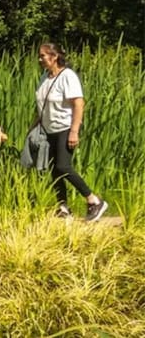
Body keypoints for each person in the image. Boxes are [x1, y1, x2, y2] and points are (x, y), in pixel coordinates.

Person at [32, 43, 107, 221]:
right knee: (54, 170)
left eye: (43, 55)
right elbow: (42, 107)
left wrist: (74, 131)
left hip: (64, 128)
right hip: (48, 130)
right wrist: (33, 128)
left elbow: (78, 104)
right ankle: (63, 208)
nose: (40, 59)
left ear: (54, 56)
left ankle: (93, 200)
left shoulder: (68, 77)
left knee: (63, 166)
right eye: (40, 56)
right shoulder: (45, 77)